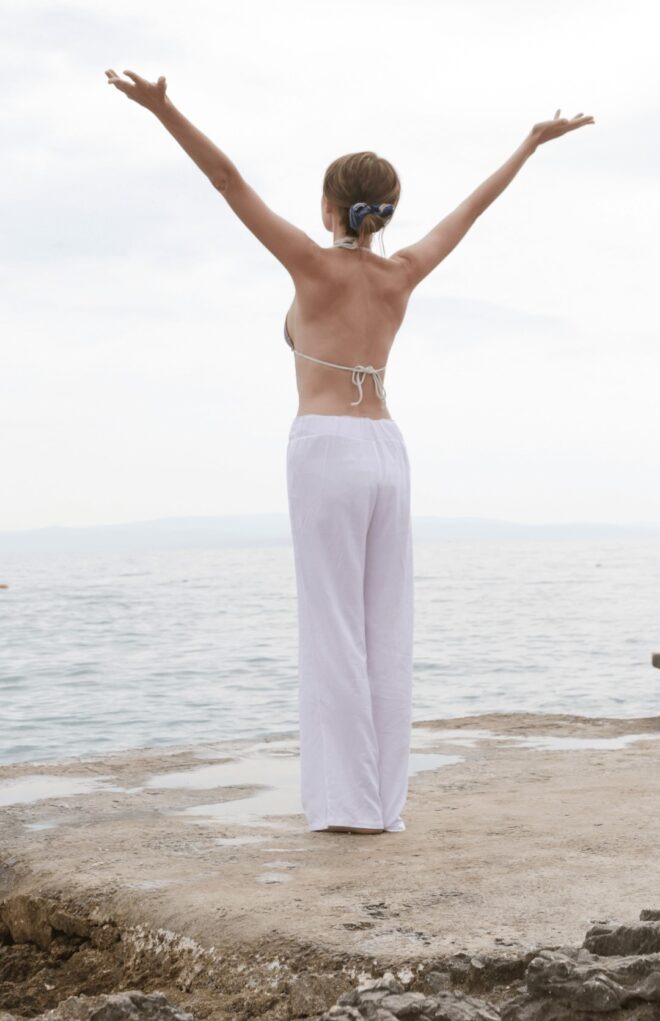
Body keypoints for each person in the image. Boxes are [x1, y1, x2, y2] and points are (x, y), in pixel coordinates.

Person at [104, 68, 595, 835]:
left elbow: (227, 180)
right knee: (385, 629)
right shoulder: (401, 273)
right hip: (388, 451)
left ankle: (345, 807)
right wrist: (529, 144)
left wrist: (164, 108)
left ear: (329, 208)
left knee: (331, 626)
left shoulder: (312, 264)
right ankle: (382, 806)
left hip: (327, 449)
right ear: (388, 211)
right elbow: (472, 208)